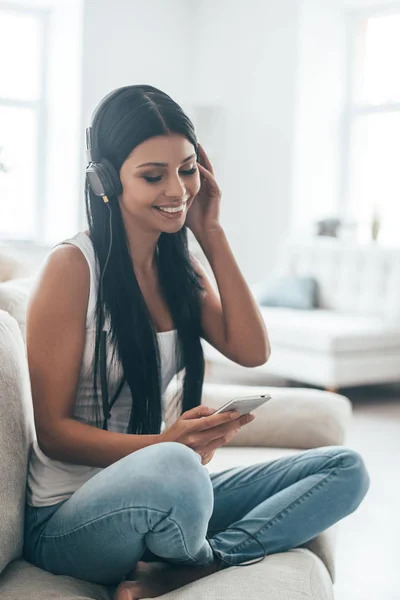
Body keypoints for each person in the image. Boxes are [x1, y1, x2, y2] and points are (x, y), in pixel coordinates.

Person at [23, 85, 370, 600]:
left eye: (187, 169)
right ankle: (195, 548)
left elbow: (254, 351)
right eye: (152, 175)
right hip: (66, 519)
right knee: (176, 469)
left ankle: (202, 564)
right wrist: (167, 445)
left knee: (346, 469)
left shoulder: (177, 268)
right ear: (105, 181)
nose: (177, 190)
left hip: (160, 481)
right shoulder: (72, 269)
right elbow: (52, 433)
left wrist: (211, 231)